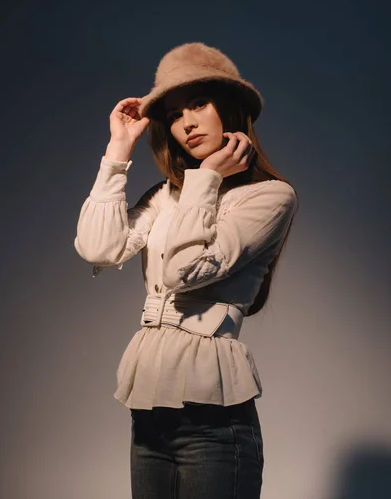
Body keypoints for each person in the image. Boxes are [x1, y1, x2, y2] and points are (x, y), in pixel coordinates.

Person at [74, 42, 299, 498]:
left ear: (231, 109)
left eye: (198, 103)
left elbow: (183, 272)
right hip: (150, 420)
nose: (187, 122)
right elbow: (99, 247)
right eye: (175, 114)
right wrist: (118, 151)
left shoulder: (270, 197)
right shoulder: (166, 197)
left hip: (213, 426)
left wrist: (207, 178)